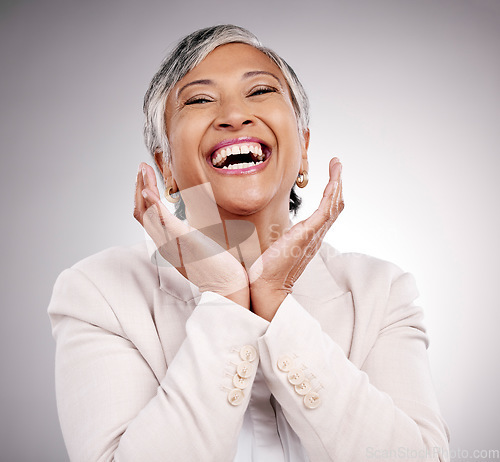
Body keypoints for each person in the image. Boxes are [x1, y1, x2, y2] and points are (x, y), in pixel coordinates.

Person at [48, 25, 450, 462]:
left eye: (259, 91)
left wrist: (276, 303)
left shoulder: (380, 291)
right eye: (200, 99)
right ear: (165, 166)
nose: (234, 115)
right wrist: (227, 303)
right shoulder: (99, 292)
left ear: (304, 148)